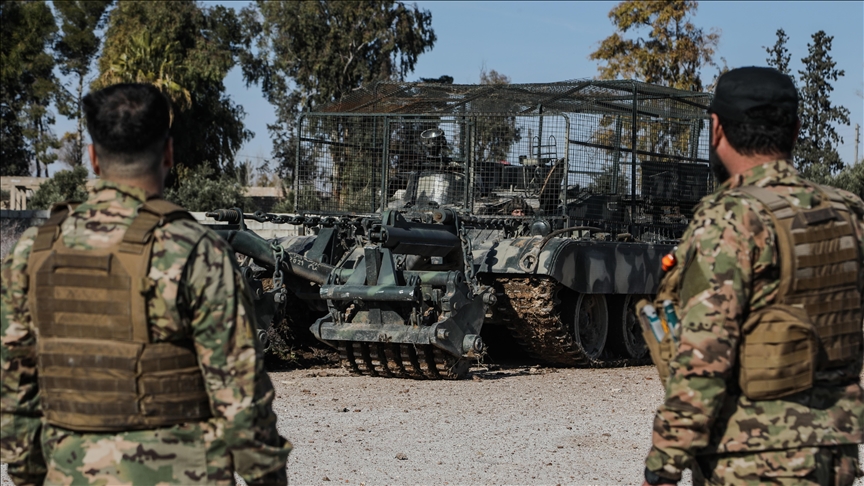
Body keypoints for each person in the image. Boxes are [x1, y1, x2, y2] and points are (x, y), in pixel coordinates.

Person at [0, 83, 292, 485]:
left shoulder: (34, 250)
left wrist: (31, 475)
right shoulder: (197, 252)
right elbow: (240, 397)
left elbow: (16, 383)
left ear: (92, 158)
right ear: (169, 153)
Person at [642, 67, 864, 485]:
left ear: (716, 129)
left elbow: (703, 362)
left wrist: (663, 467)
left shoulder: (731, 218)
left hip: (751, 463)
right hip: (833, 459)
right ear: (796, 130)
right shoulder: (848, 212)